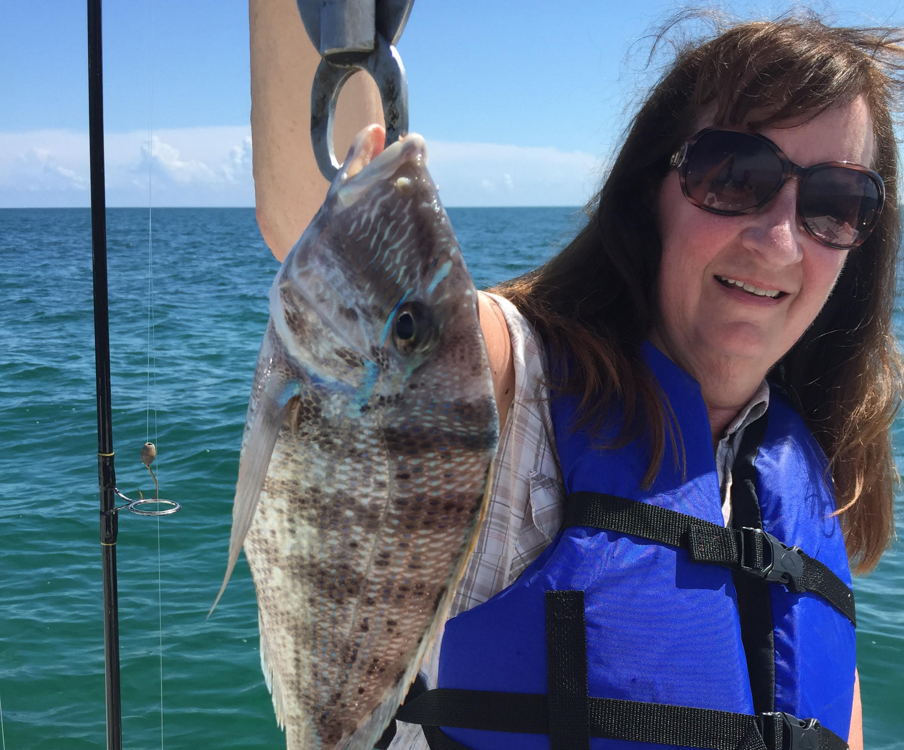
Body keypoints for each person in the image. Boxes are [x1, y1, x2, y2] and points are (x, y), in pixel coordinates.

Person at [252, 9, 903, 750]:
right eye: (734, 175)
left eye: (835, 203)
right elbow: (343, 248)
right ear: (651, 189)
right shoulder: (520, 389)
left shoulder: (809, 473)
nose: (781, 238)